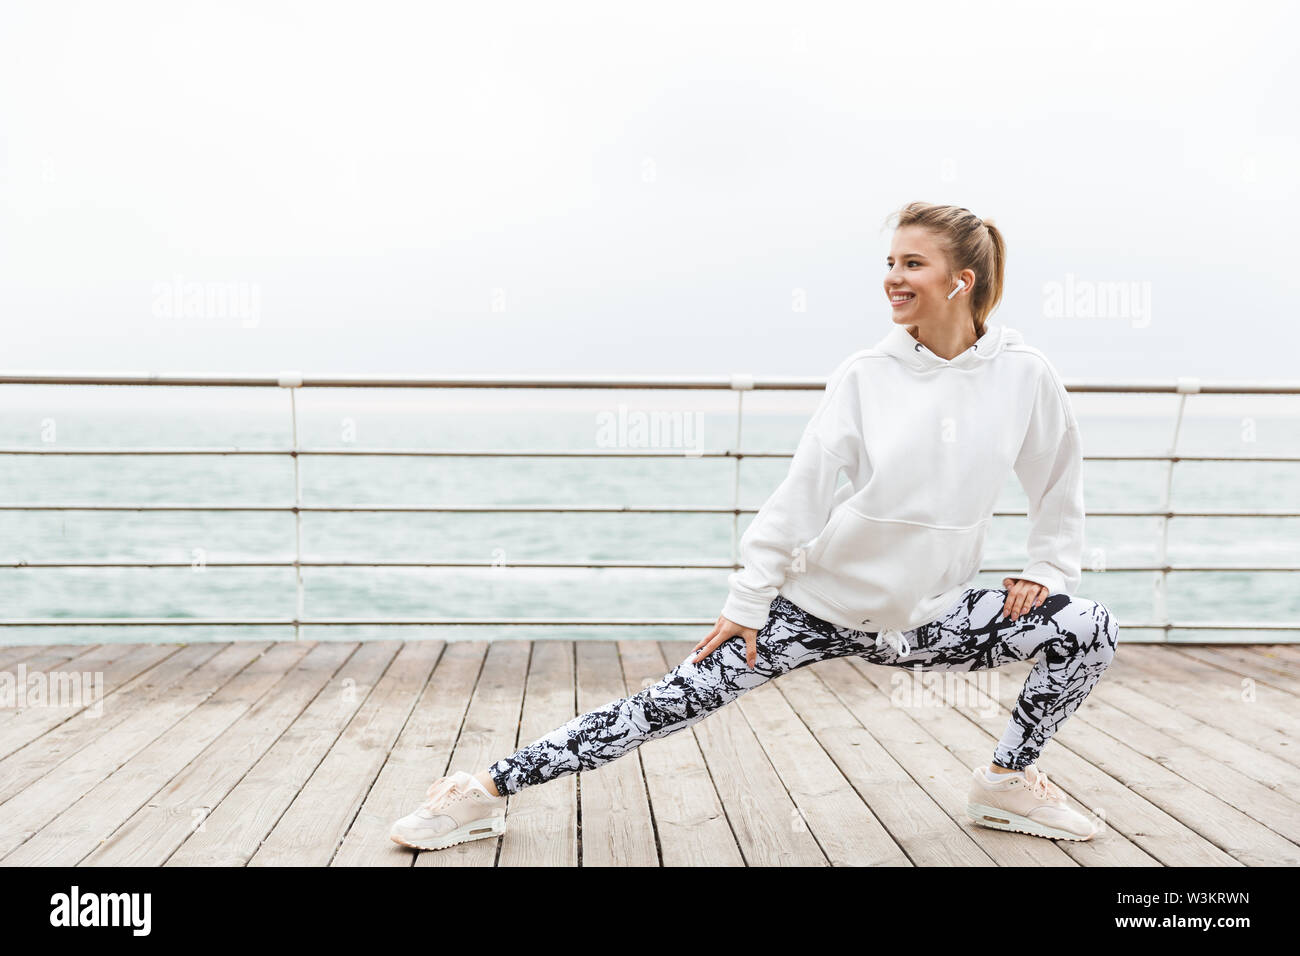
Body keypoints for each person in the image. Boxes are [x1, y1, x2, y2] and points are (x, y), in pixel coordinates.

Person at [389, 201, 1120, 853]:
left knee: (1087, 627)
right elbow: (800, 495)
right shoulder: (867, 375)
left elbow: (1058, 476)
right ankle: (482, 791)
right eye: (890, 263)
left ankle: (1005, 781)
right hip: (816, 607)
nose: (894, 278)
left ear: (960, 279)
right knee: (659, 708)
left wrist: (1047, 568)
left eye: (913, 264)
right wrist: (747, 599)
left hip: (930, 615)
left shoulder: (1024, 373)